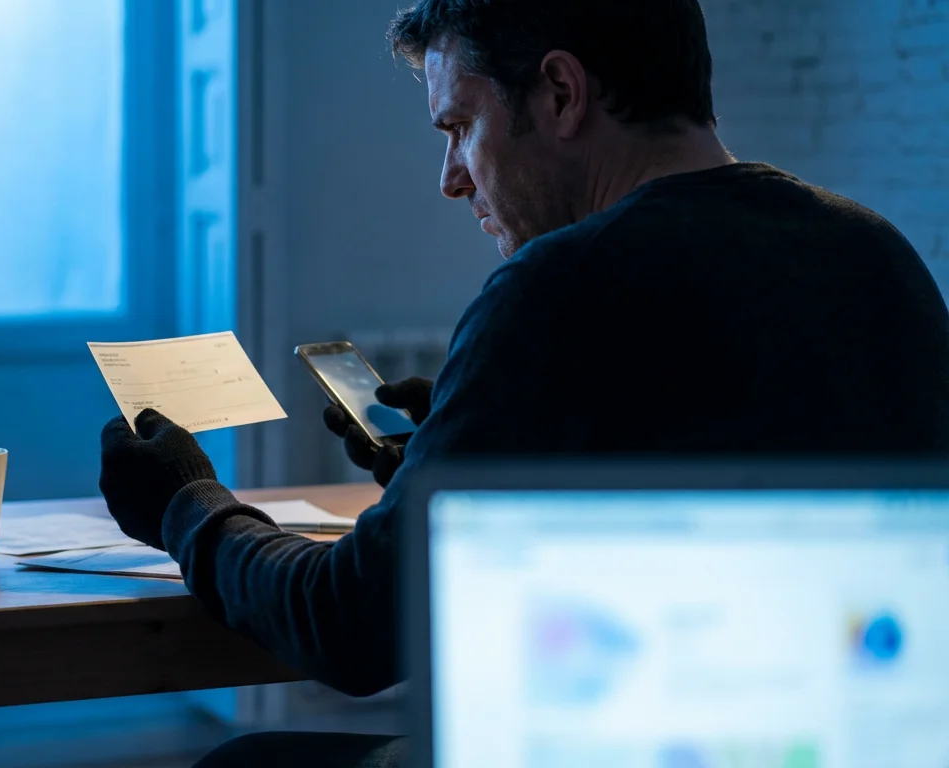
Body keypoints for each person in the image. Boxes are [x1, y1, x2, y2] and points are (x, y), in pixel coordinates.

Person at [98, 0, 949, 764]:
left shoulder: (559, 289)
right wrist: (474, 459)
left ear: (560, 94)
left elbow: (347, 627)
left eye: (459, 125)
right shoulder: (880, 257)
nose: (451, 177)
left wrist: (187, 503)